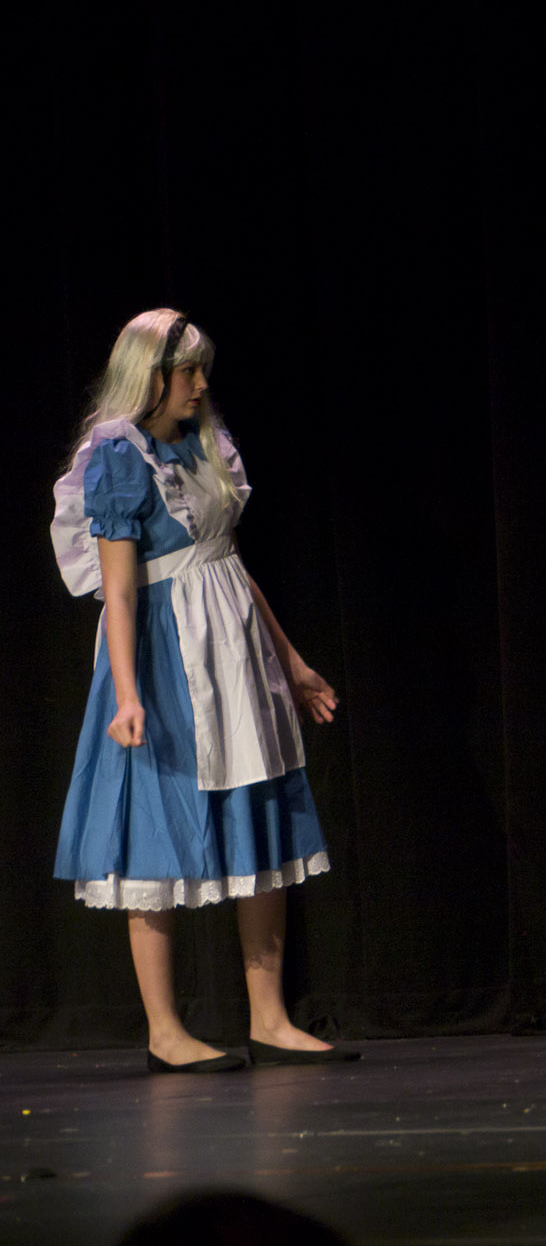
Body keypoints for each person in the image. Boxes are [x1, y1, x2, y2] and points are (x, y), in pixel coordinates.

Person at [50, 309, 356, 1071]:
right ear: (149, 377)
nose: (199, 383)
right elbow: (120, 593)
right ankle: (165, 1031)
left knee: (260, 814)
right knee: (153, 830)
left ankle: (269, 1018)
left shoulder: (204, 445)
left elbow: (229, 565)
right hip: (163, 657)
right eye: (187, 370)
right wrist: (127, 694)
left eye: (200, 369)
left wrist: (291, 661)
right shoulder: (119, 457)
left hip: (235, 652)